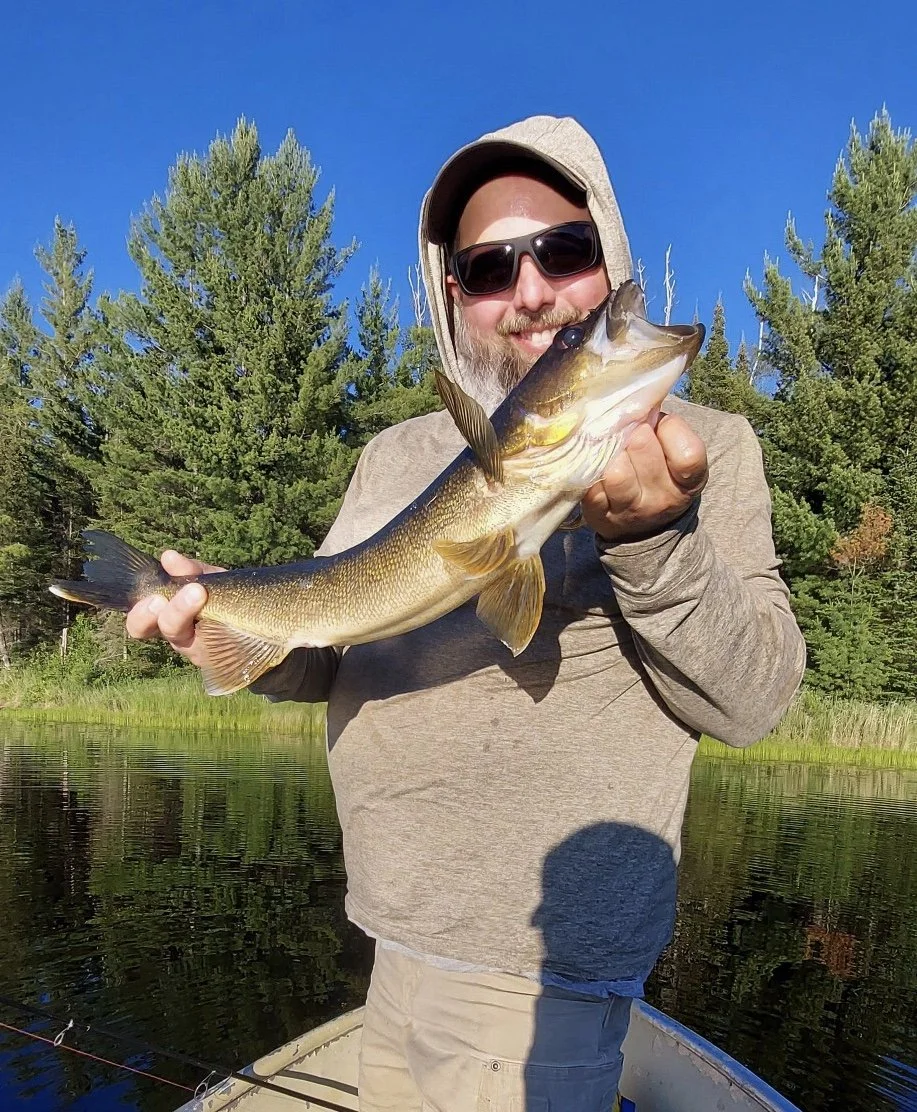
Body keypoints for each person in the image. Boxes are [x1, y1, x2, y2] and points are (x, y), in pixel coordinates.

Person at [126, 116, 806, 1111]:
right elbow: (326, 651)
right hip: (387, 934)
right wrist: (224, 624)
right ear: (455, 293)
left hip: (535, 980)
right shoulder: (395, 457)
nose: (528, 290)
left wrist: (650, 540)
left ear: (607, 257)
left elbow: (754, 701)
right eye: (490, 267)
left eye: (563, 253)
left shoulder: (708, 449)